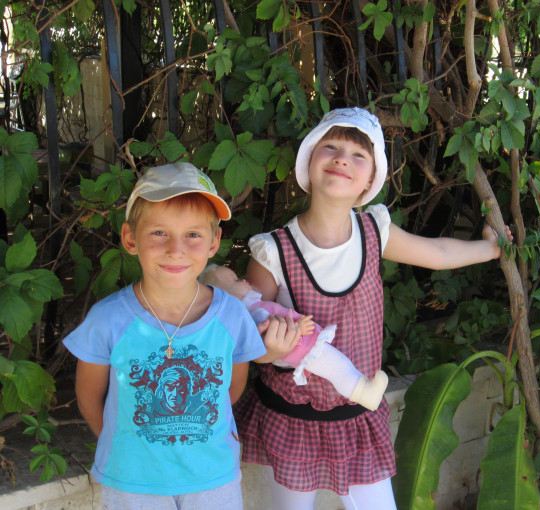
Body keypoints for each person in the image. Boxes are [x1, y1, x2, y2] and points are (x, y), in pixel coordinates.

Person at [234, 107, 509, 510]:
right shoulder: (271, 252)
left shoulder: (374, 232)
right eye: (331, 146)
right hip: (294, 419)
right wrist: (269, 350)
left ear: (370, 181)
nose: (342, 158)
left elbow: (437, 252)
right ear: (308, 162)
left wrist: (490, 249)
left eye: (358, 154)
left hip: (358, 416)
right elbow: (251, 336)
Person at [63, 162, 301, 509]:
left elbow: (229, 390)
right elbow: (89, 396)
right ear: (130, 238)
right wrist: (126, 448)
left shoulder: (231, 316)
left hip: (213, 478)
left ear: (214, 242)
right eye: (159, 232)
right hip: (134, 481)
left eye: (192, 234)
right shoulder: (107, 320)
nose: (176, 249)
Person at [199, 264, 389, 410]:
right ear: (227, 297)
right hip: (301, 346)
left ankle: (364, 388)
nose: (245, 281)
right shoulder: (254, 314)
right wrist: (298, 327)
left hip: (302, 344)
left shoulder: (253, 309)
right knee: (338, 369)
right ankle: (365, 394)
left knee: (339, 366)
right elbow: (274, 330)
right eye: (236, 280)